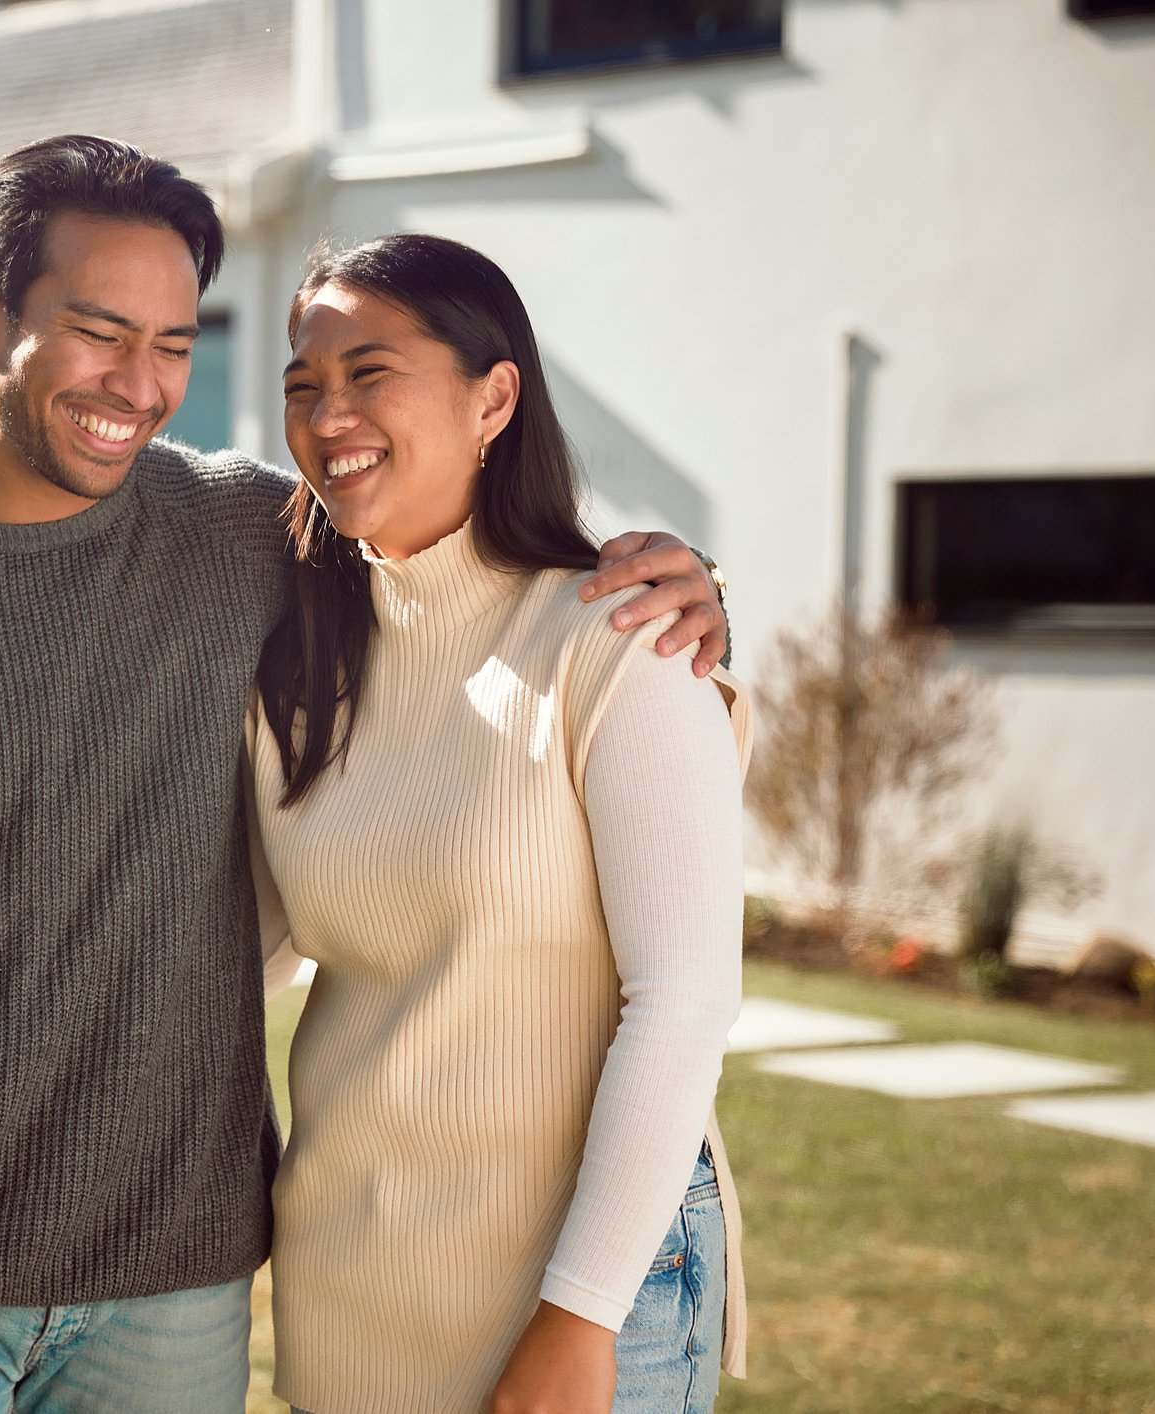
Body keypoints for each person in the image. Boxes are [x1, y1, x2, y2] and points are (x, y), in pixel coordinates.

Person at [0, 136, 731, 1414]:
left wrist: (685, 594)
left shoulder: (237, 536)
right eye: (97, 332)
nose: (137, 384)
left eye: (175, 344)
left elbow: (464, 549)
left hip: (171, 1292)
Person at [247, 233, 750, 1414]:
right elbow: (250, 952)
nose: (329, 415)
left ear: (494, 397)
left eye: (369, 372)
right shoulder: (296, 664)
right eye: (301, 384)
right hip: (351, 1287)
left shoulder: (619, 636)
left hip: (574, 1290)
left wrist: (578, 1321)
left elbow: (682, 1002)